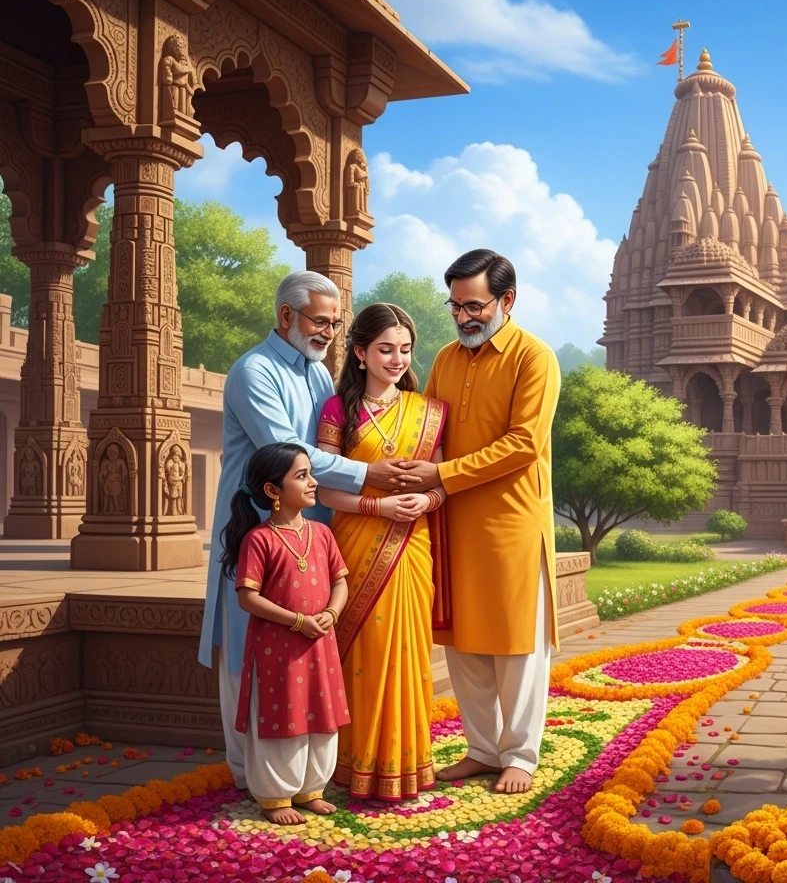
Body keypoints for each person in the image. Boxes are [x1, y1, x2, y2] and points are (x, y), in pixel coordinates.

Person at [197, 271, 419, 790]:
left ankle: (301, 776)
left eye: (334, 324)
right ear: (285, 317)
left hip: (315, 529)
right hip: (258, 524)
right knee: (250, 640)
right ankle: (247, 774)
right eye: (320, 321)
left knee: (305, 647)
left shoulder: (319, 375)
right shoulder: (254, 372)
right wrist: (370, 476)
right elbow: (287, 454)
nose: (328, 333)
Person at [408, 249, 561, 795]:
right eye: (454, 306)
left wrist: (441, 475)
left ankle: (520, 754)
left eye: (473, 305)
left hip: (511, 524)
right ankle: (482, 748)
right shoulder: (446, 358)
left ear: (507, 300)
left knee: (516, 645)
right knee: (463, 639)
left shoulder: (534, 358)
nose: (463, 316)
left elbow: (523, 445)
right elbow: (425, 427)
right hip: (452, 521)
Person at [314, 302, 450, 802]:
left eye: (405, 350)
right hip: (358, 542)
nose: (397, 360)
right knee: (362, 654)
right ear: (359, 352)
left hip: (411, 548)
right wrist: (380, 506)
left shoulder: (429, 411)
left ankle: (406, 767)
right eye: (385, 349)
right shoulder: (337, 411)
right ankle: (352, 767)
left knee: (408, 653)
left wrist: (427, 498)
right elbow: (327, 493)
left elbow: (439, 482)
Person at [218, 442, 350, 824]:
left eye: (311, 473)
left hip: (320, 642)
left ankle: (311, 787)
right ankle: (276, 795)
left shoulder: (322, 534)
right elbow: (248, 598)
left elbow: (340, 582)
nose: (313, 482)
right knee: (283, 712)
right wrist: (297, 621)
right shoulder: (259, 539)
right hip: (278, 647)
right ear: (273, 491)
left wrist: (331, 613)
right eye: (302, 475)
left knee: (320, 711)